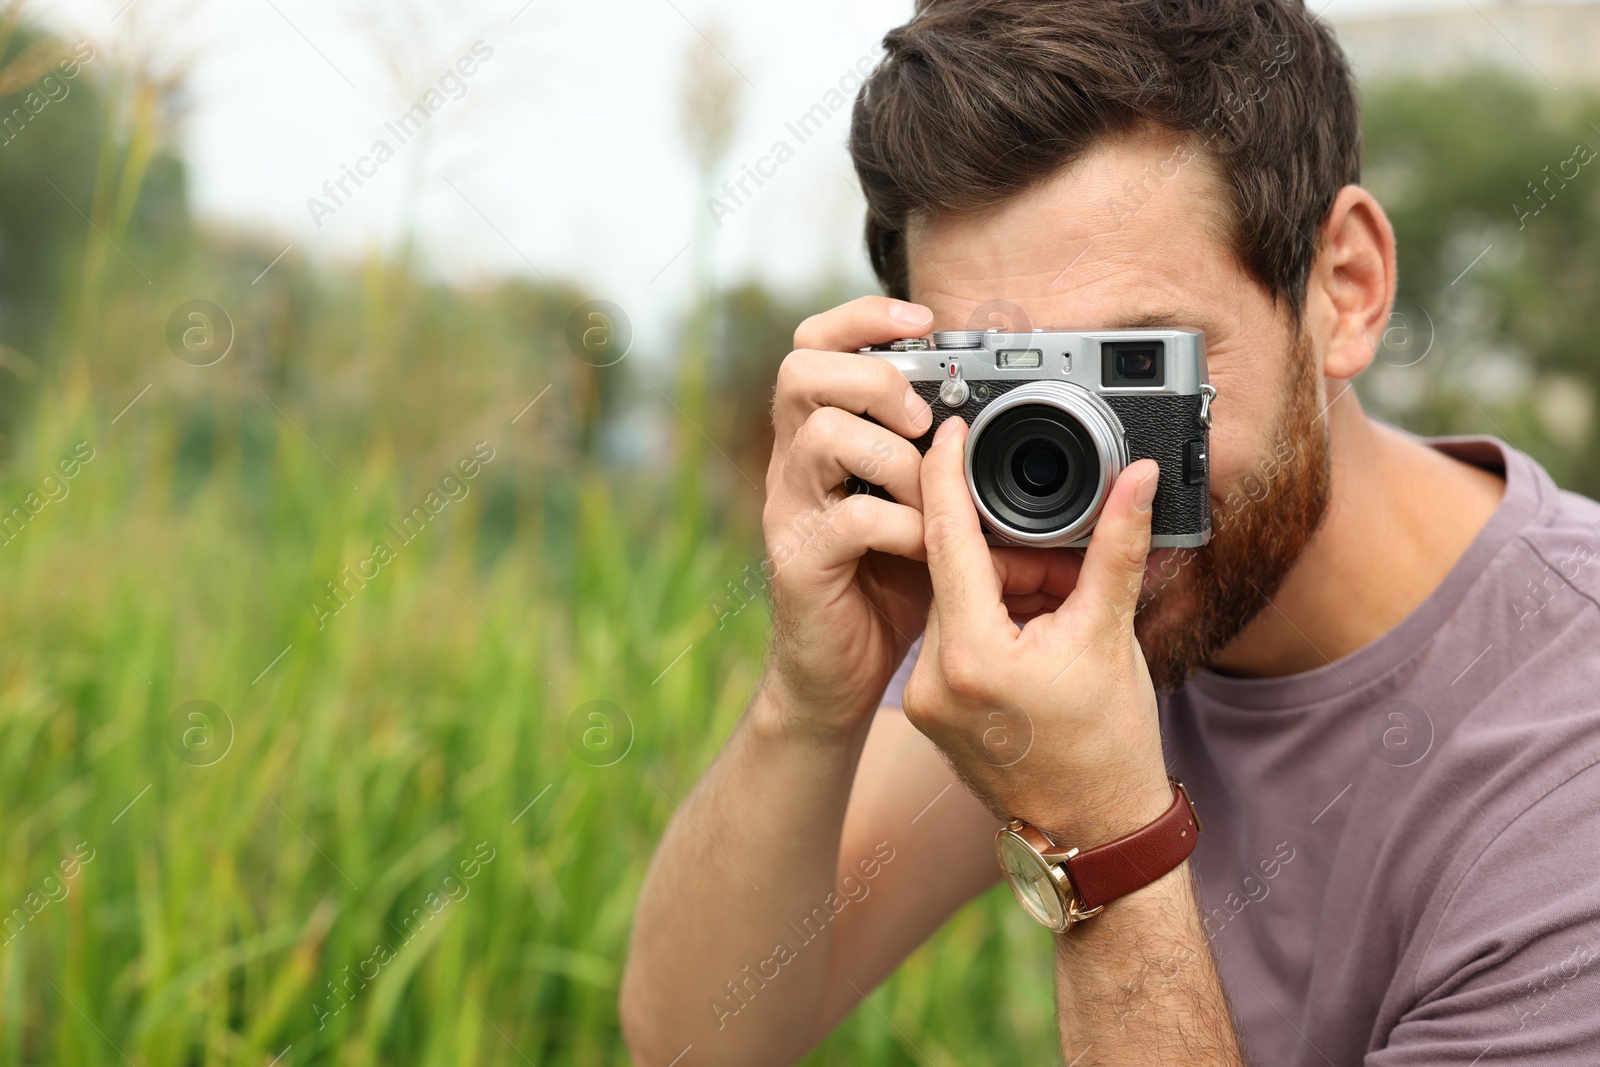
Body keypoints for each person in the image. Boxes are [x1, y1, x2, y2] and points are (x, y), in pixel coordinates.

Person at [620, 1, 1600, 1063]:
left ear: (1347, 290)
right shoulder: (1057, 604)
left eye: (1139, 371)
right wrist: (812, 702)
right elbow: (694, 1042)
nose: (1074, 470)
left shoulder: (1564, 757)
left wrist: (1108, 837)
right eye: (1008, 389)